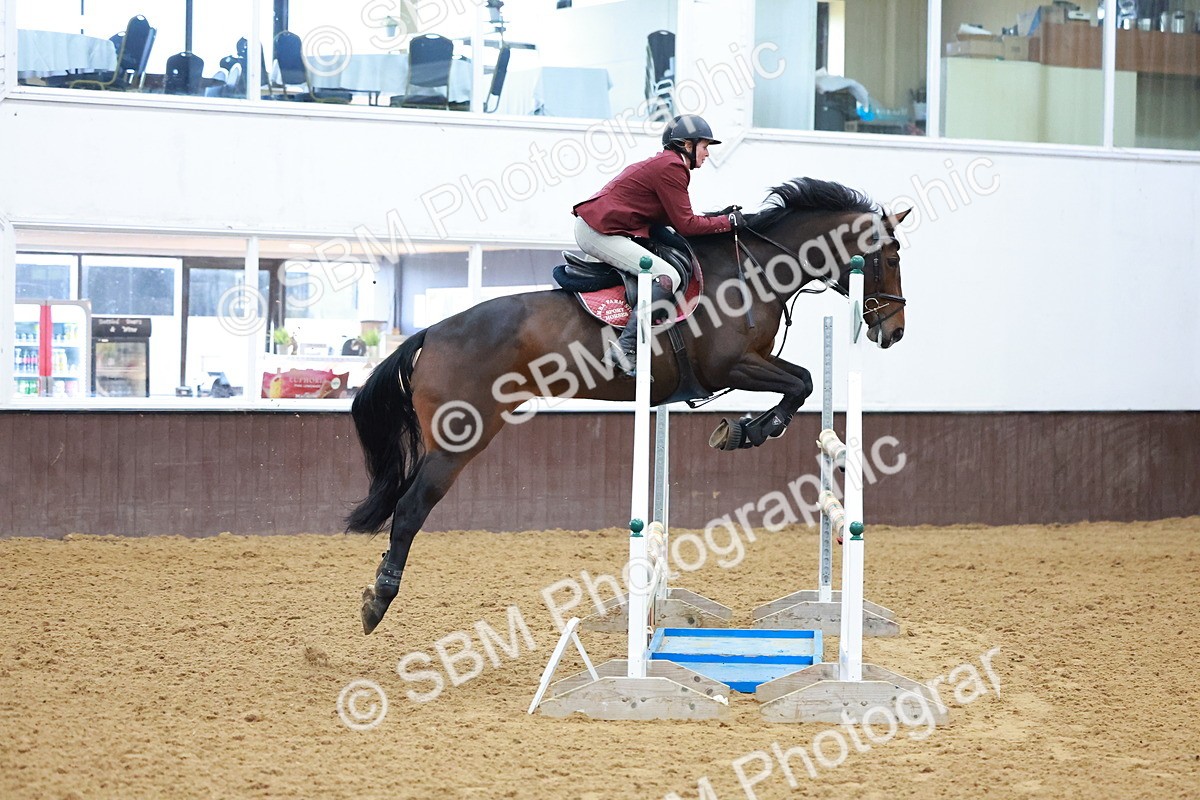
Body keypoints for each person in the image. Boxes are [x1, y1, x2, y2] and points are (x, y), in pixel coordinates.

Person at [573, 114, 745, 375]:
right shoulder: (672, 167)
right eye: (705, 146)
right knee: (667, 276)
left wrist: (717, 220)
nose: (708, 154)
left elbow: (677, 223)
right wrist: (727, 222)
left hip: (608, 228)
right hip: (598, 231)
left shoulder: (668, 164)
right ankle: (625, 348)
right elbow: (687, 225)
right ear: (687, 145)